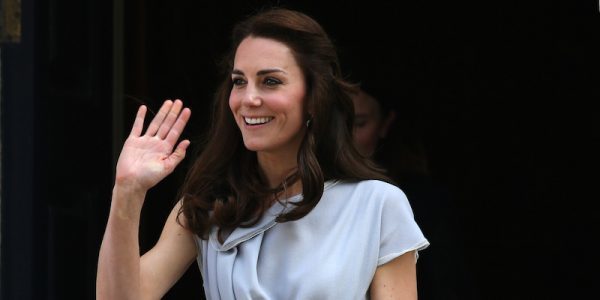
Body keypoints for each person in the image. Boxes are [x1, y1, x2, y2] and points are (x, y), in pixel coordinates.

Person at [96, 8, 429, 299]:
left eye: (270, 81)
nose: (248, 98)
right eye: (239, 81)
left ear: (314, 98)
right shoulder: (207, 206)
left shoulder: (377, 205)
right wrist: (127, 191)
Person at [350, 87, 479, 299]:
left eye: (359, 123)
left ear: (386, 123)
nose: (345, 136)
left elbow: (447, 282)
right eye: (336, 123)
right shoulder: (302, 197)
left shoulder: (417, 201)